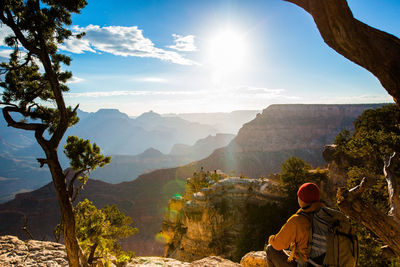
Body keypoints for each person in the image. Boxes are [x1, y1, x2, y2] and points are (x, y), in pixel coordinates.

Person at [265, 183, 323, 267]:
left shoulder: (297, 220)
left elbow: (277, 244)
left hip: (305, 265)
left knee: (270, 249)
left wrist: (271, 239)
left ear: (302, 200)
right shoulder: (328, 217)